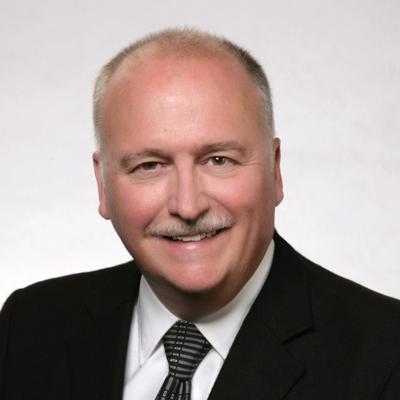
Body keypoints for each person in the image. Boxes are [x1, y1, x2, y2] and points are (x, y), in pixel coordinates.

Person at [1, 28, 400, 400]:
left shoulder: (386, 354)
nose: (188, 206)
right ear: (103, 185)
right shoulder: (29, 327)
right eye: (149, 166)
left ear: (275, 170)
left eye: (219, 160)